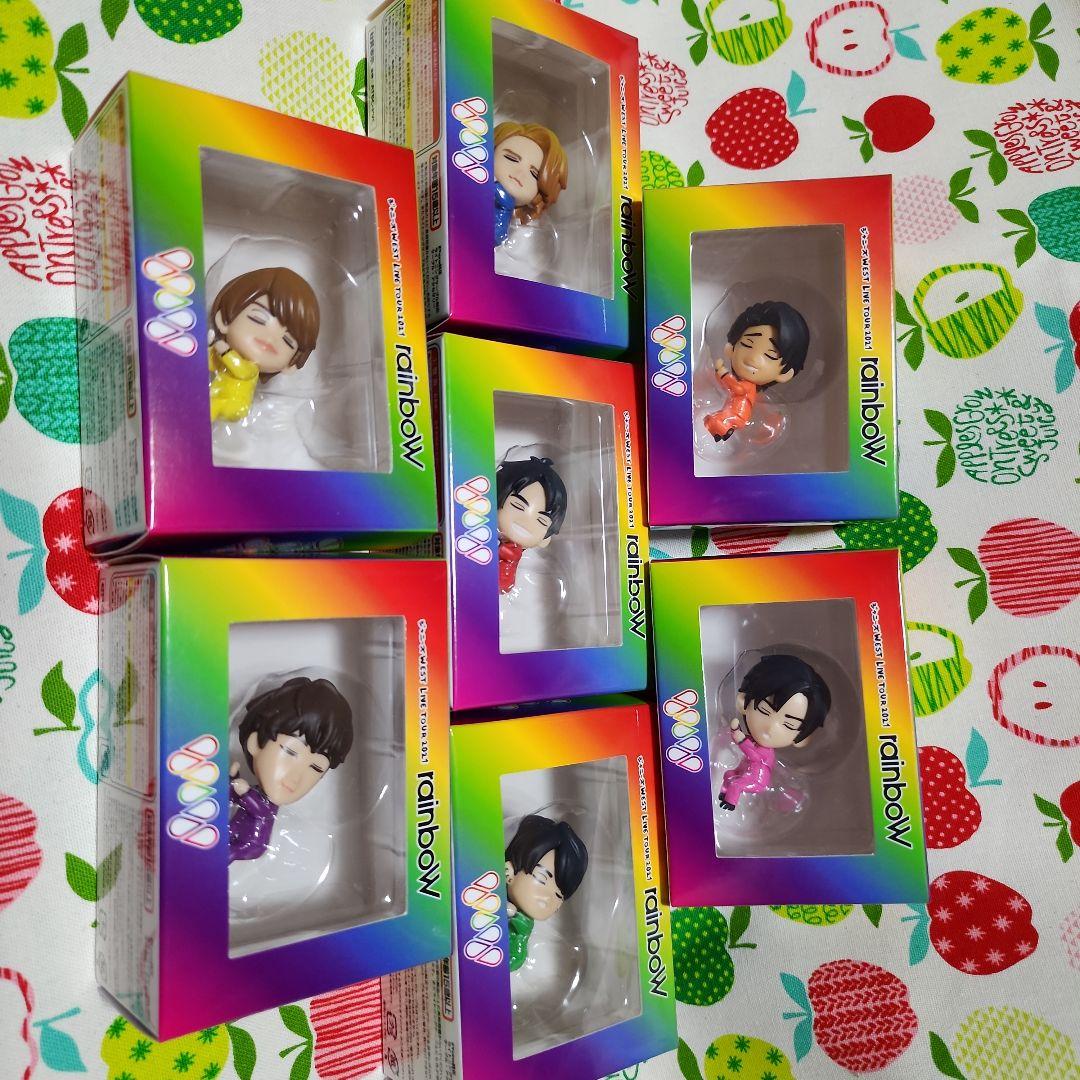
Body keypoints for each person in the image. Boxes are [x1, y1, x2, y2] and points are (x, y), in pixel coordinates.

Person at [229, 676, 353, 863]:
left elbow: (262, 810)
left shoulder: (265, 802)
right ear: (254, 743)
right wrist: (232, 782)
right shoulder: (258, 791)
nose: (296, 777)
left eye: (316, 768)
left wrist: (244, 792)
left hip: (250, 843)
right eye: (290, 752)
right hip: (234, 831)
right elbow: (234, 797)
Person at [208, 266, 320, 423]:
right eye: (258, 318)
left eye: (287, 340)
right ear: (222, 319)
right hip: (217, 394)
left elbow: (242, 371)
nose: (271, 338)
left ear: (291, 365)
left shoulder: (251, 369)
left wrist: (225, 352)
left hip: (234, 404)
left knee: (209, 408)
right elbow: (211, 363)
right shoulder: (222, 357)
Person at [719, 654, 829, 810]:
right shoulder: (754, 740)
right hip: (744, 771)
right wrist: (736, 734)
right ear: (743, 702)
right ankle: (723, 794)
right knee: (729, 775)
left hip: (757, 780)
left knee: (736, 784)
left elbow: (754, 756)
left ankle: (730, 803)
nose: (771, 728)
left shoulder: (766, 752)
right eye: (764, 710)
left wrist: (741, 740)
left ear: (802, 738)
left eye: (789, 725)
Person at [703, 300, 809, 442]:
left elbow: (737, 388)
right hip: (733, 412)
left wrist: (723, 374)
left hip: (738, 414)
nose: (753, 358)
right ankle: (721, 433)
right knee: (710, 420)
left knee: (714, 420)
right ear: (731, 348)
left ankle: (722, 433)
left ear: (785, 374)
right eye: (747, 344)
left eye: (770, 355)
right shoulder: (754, 392)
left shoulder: (747, 386)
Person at [504, 814, 588, 971]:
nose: (548, 897)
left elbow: (513, 960)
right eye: (542, 878)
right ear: (508, 871)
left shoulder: (522, 926)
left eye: (559, 895)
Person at [495, 456, 568, 594]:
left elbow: (503, 585)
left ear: (546, 539)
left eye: (541, 521)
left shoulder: (513, 553)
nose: (526, 522)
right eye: (517, 505)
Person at [493, 121, 568, 246]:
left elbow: (494, 237)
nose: (520, 173)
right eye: (511, 158)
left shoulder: (521, 235)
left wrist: (505, 209)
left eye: (534, 174)